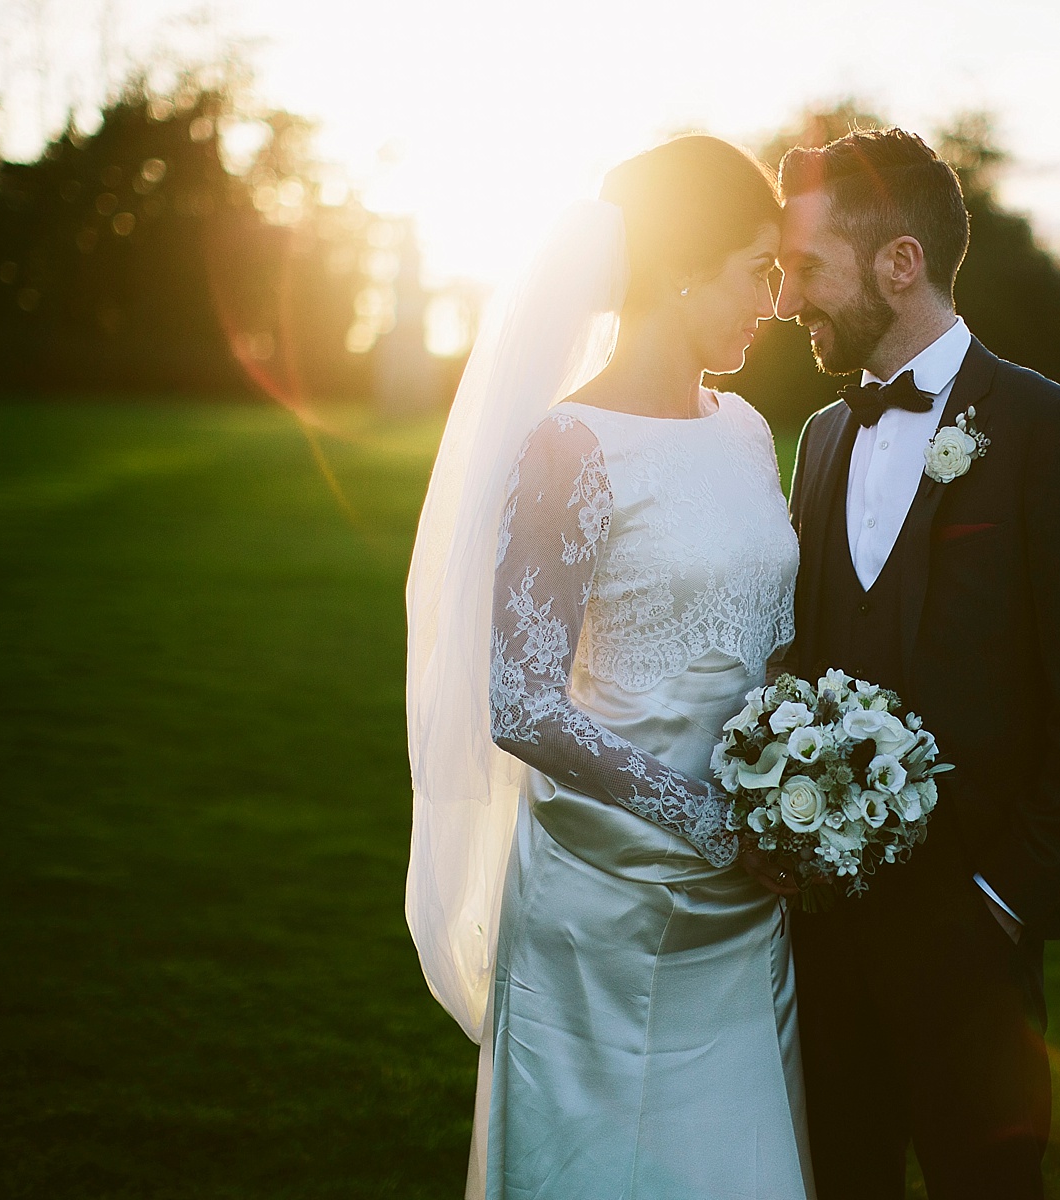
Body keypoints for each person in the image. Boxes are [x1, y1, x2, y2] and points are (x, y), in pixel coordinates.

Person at [404, 136, 812, 1199]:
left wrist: (811, 781)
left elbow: (771, 633)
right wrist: (720, 824)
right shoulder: (567, 446)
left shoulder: (745, 428)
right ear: (681, 269)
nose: (773, 300)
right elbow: (523, 702)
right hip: (607, 902)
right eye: (755, 271)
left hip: (747, 904)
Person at [764, 128, 1060, 1200]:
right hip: (829, 943)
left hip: (974, 942)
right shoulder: (823, 441)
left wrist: (1002, 898)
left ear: (900, 263)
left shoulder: (1044, 428)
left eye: (807, 270)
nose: (791, 299)